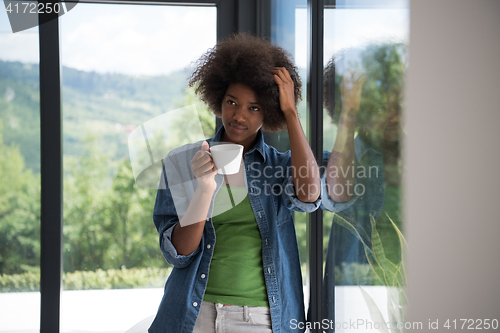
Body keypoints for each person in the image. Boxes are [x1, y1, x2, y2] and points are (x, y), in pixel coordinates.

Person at [149, 34, 321, 333]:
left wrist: (291, 112)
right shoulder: (181, 161)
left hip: (262, 318)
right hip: (193, 315)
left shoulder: (278, 166)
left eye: (254, 107)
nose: (239, 116)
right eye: (232, 102)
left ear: (269, 111)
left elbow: (309, 198)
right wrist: (204, 188)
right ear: (219, 100)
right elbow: (179, 253)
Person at [321, 43, 406, 329]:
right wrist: (349, 115)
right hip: (356, 292)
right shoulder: (347, 155)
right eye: (382, 105)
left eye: (400, 102)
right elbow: (337, 194)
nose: (393, 115)